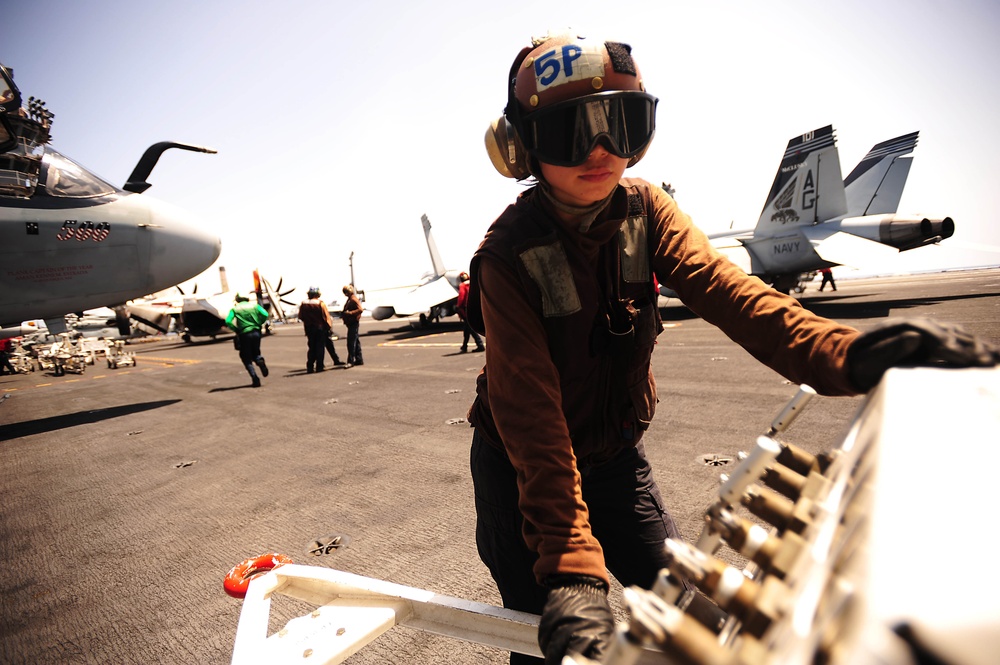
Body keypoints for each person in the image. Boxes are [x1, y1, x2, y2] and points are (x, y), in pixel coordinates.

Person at [469, 33, 1000, 665]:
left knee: (691, 609)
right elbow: (533, 420)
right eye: (569, 132)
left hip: (614, 458)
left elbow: (736, 295)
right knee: (548, 636)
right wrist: (571, 566)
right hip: (522, 472)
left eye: (621, 124)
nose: (601, 151)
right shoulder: (506, 256)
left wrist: (849, 354)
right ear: (521, 147)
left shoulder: (647, 209)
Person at [224, 293, 270, 388]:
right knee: (256, 352)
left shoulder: (235, 309)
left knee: (245, 357)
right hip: (256, 332)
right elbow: (265, 314)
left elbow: (228, 321)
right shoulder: (254, 305)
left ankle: (255, 378)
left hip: (244, 334)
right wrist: (260, 323)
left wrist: (236, 329)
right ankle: (259, 360)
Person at [298, 286, 335, 373]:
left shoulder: (303, 304)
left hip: (309, 328)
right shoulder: (320, 303)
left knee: (311, 347)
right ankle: (319, 366)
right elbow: (326, 317)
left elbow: (301, 316)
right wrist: (329, 327)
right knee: (320, 347)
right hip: (320, 328)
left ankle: (310, 366)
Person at [456, 272, 485, 353]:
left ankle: (480, 344)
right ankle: (464, 346)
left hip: (466, 308)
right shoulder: (472, 284)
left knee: (470, 327)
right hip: (475, 305)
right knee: (467, 329)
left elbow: (462, 296)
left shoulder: (462, 285)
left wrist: (458, 306)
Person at [341, 285, 364, 366]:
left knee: (351, 342)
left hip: (353, 323)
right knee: (356, 341)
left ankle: (350, 361)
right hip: (351, 323)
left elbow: (360, 309)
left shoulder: (353, 299)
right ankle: (359, 359)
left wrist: (350, 313)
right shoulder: (350, 299)